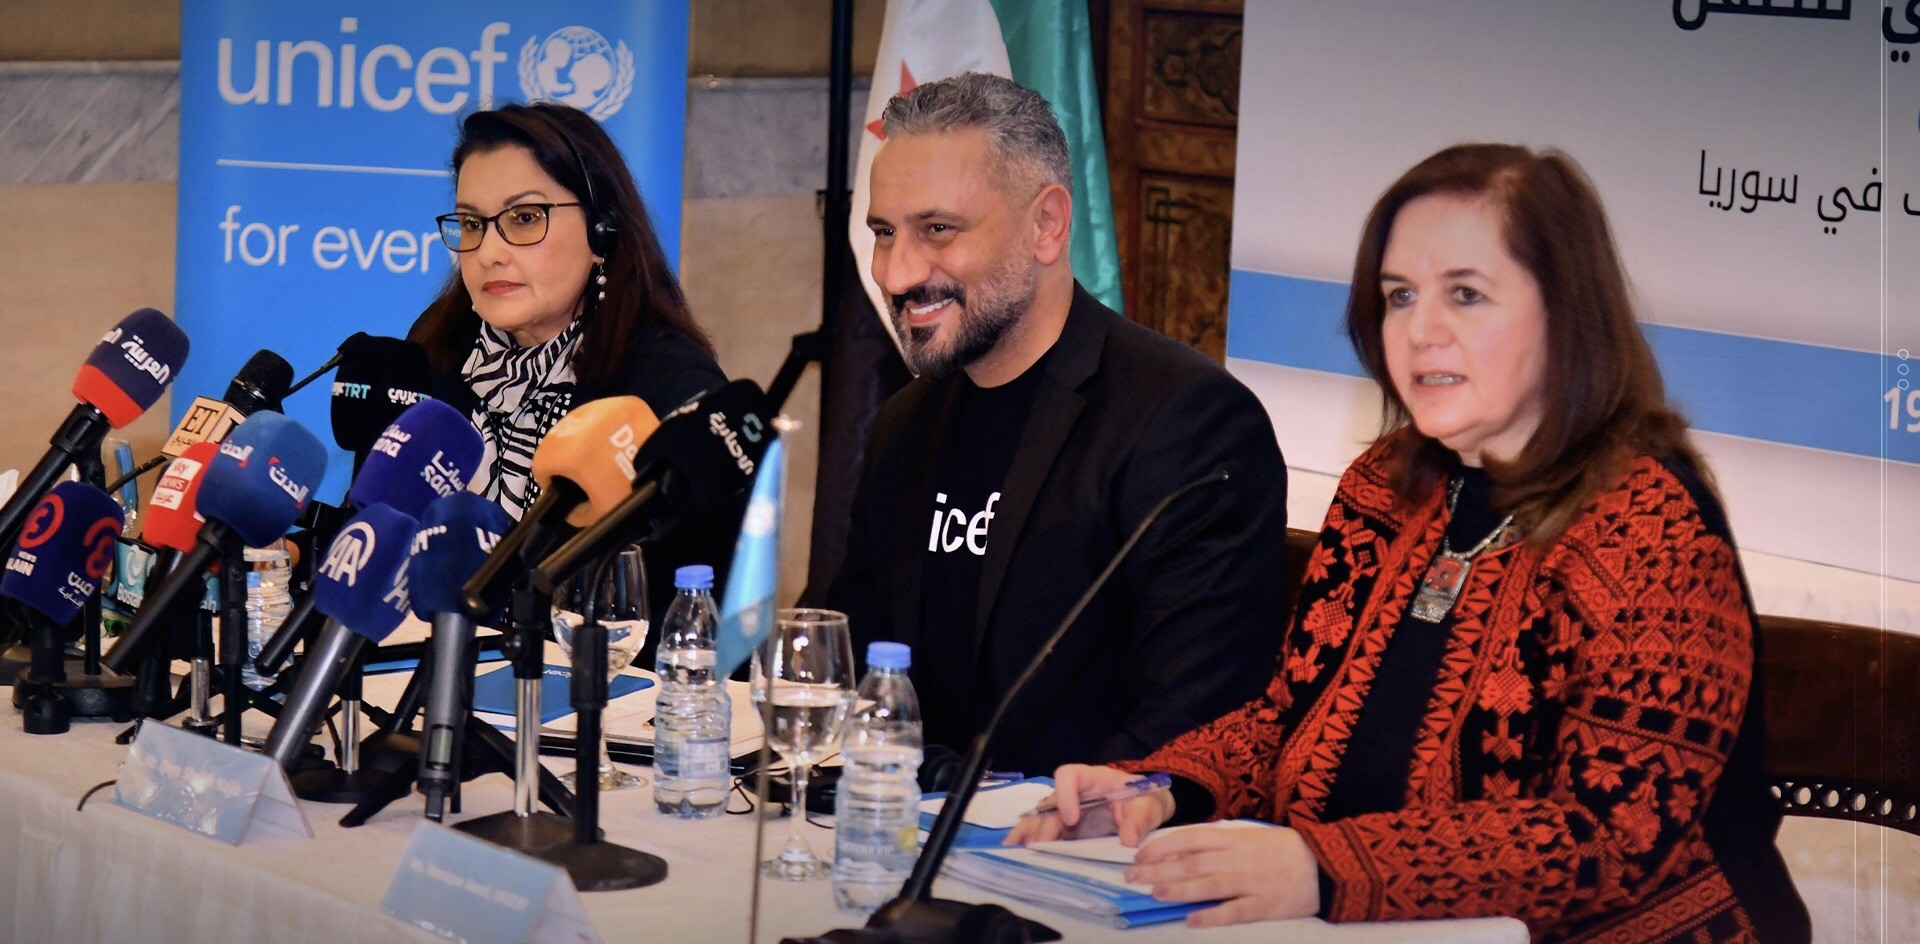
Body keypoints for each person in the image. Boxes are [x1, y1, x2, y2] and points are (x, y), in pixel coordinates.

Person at [1010, 144, 1810, 944]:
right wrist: (1158, 791)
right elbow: (1288, 719)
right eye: (1399, 296)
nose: (1420, 331)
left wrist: (1323, 869)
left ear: (1564, 311)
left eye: (1466, 294)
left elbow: (1610, 838)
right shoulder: (1384, 487)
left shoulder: (1654, 529)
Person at [823, 73, 1290, 778]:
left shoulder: (1188, 423)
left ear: (1046, 225)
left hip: (1081, 835)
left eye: (938, 230)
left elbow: (1194, 730)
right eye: (884, 233)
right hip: (907, 822)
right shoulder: (903, 424)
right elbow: (853, 668)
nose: (896, 274)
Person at [410, 102, 731, 629]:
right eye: (471, 224)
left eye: (524, 218)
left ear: (602, 232)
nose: (488, 252)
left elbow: (688, 614)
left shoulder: (668, 390)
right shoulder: (433, 352)